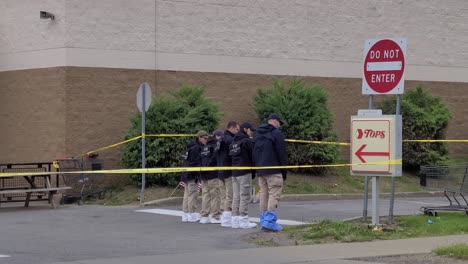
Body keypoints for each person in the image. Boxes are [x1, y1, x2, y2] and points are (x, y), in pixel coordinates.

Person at [253, 113, 287, 231]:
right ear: (275, 121)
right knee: (274, 194)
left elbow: (254, 152)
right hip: (273, 169)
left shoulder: (257, 134)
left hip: (261, 170)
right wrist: (284, 171)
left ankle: (263, 219)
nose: (279, 125)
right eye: (279, 123)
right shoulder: (277, 134)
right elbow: (281, 153)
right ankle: (269, 222)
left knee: (264, 194)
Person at [229, 122, 257, 228]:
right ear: (245, 129)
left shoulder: (233, 142)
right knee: (245, 196)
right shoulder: (246, 141)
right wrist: (253, 172)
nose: (252, 132)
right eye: (251, 130)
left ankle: (235, 220)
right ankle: (243, 220)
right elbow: (252, 157)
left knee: (236, 196)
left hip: (234, 172)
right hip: (245, 172)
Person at [181, 130, 209, 223]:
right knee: (193, 194)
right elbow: (194, 162)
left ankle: (185, 214)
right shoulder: (196, 148)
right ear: (199, 137)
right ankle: (191, 214)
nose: (206, 140)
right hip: (192, 174)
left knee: (187, 194)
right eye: (205, 138)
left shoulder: (190, 146)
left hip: (186, 173)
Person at [216, 121, 240, 227]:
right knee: (230, 195)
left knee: (223, 196)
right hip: (228, 171)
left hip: (220, 171)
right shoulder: (230, 139)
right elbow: (233, 155)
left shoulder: (220, 139)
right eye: (237, 130)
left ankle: (223, 216)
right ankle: (227, 218)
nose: (237, 132)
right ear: (232, 128)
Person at [198, 132, 222, 224]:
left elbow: (199, 160)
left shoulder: (203, 148)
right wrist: (208, 166)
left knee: (205, 195)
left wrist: (203, 169)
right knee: (215, 195)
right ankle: (215, 216)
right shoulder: (214, 147)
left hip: (203, 175)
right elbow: (215, 159)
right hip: (212, 174)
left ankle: (204, 215)